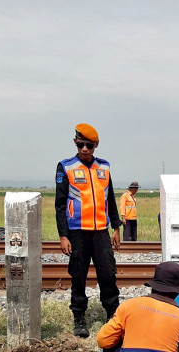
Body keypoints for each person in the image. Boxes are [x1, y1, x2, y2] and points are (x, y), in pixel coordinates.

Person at [55, 123, 122, 338]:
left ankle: (112, 315)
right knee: (78, 276)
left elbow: (110, 198)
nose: (85, 149)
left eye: (89, 146)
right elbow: (59, 204)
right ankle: (79, 317)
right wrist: (63, 235)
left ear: (96, 146)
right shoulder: (65, 167)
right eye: (81, 144)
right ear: (75, 143)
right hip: (77, 232)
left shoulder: (104, 167)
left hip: (101, 231)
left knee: (108, 274)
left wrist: (116, 227)